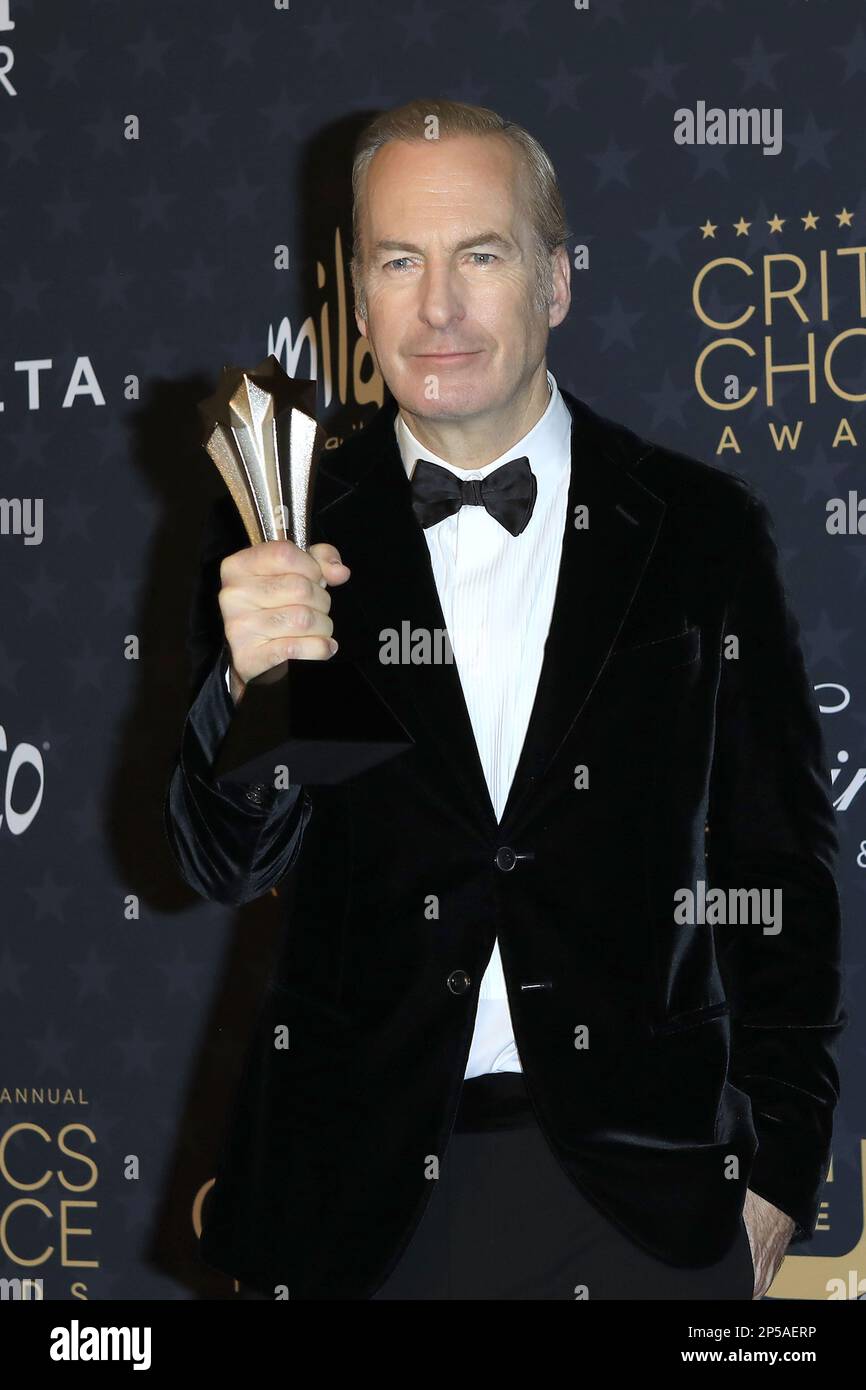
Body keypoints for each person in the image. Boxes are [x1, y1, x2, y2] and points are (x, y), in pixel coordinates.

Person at [164, 97, 846, 1300]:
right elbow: (220, 862)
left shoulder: (695, 535)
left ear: (556, 282)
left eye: (479, 255)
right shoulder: (278, 518)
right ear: (356, 292)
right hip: (351, 1205)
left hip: (641, 1202)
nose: (437, 307)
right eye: (397, 261)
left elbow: (780, 869)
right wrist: (246, 682)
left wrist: (779, 1173)